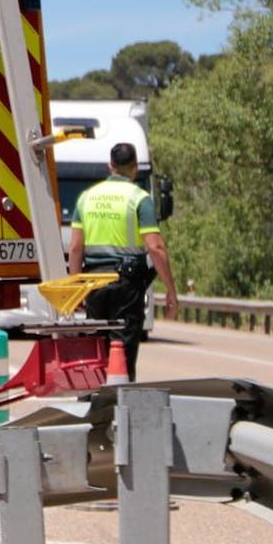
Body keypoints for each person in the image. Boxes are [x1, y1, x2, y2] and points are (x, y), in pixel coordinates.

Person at [68, 141, 179, 380]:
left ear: (111, 166)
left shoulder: (87, 197)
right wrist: (170, 290)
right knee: (123, 350)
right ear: (134, 168)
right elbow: (156, 247)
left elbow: (76, 247)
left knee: (98, 346)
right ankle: (120, 403)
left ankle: (94, 400)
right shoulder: (139, 198)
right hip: (126, 284)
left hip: (94, 282)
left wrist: (75, 288)